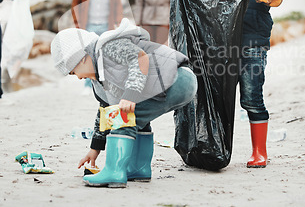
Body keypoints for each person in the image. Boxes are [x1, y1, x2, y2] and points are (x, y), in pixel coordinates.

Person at [169, 0, 284, 168]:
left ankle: (259, 152)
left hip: (253, 44)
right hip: (224, 46)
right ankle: (213, 144)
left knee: (251, 96)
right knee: (218, 95)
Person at [51, 18, 197, 188]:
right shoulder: (98, 81)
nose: (78, 77)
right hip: (171, 86)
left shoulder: (107, 48)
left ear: (81, 58)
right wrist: (95, 148)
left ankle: (115, 171)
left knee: (124, 115)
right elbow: (105, 112)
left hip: (179, 78)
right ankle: (139, 168)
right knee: (130, 115)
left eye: (73, 71)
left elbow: (140, 58)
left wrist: (130, 94)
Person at [71, 0, 123, 93]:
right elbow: (76, 2)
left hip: (107, 24)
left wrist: (118, 20)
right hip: (89, 25)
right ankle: (88, 86)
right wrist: (78, 23)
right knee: (88, 55)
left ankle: (105, 86)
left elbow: (117, 1)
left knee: (106, 56)